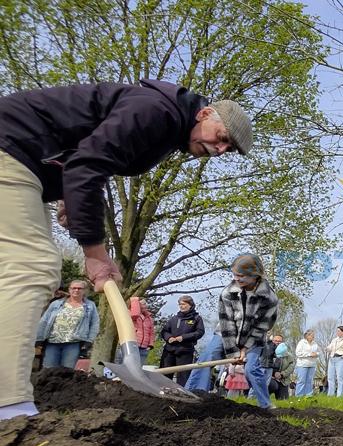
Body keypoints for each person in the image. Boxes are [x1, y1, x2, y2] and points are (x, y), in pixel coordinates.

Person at [0, 79, 252, 419]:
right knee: (32, 265)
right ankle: (10, 410)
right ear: (205, 113)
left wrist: (67, 197)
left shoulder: (166, 124)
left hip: (27, 160)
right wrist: (94, 252)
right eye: (223, 138)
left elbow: (84, 158)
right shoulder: (157, 112)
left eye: (229, 149)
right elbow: (88, 164)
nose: (221, 150)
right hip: (11, 149)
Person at [183, 254, 278, 409]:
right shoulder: (228, 292)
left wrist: (245, 348)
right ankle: (191, 397)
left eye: (241, 276)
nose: (237, 279)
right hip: (226, 334)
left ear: (255, 275)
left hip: (254, 337)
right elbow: (226, 323)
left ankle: (265, 404)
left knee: (251, 369)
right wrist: (233, 352)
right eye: (234, 275)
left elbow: (263, 325)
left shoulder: (269, 298)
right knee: (207, 358)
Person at [36, 280, 100, 369]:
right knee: (48, 370)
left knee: (67, 372)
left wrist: (89, 340)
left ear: (84, 291)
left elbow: (95, 324)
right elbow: (44, 320)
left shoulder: (90, 306)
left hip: (73, 344)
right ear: (69, 290)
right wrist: (39, 338)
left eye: (79, 288)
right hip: (52, 342)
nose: (76, 290)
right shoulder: (56, 304)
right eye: (74, 288)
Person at [159, 295, 205, 386]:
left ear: (190, 305)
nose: (181, 306)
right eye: (180, 304)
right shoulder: (174, 318)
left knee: (183, 376)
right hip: (169, 350)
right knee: (165, 374)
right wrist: (169, 338)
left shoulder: (196, 318)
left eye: (184, 304)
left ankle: (181, 394)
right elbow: (164, 331)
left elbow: (200, 332)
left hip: (185, 351)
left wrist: (183, 337)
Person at [327, 326, 343, 397]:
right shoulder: (334, 340)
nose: (337, 332)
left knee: (340, 378)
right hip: (332, 359)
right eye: (337, 331)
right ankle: (330, 395)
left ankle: (339, 395)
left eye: (338, 331)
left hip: (340, 359)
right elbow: (330, 347)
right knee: (330, 377)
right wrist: (327, 348)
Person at [129, 297, 155, 366]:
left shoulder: (149, 318)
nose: (145, 305)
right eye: (142, 304)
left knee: (140, 368)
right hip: (133, 345)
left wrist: (150, 345)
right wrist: (134, 300)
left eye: (145, 303)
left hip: (144, 348)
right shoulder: (132, 315)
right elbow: (134, 314)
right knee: (131, 367)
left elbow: (151, 333)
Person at [295, 330, 320, 397]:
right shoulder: (302, 342)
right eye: (311, 335)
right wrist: (309, 354)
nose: (313, 336)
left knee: (309, 381)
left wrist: (316, 354)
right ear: (307, 335)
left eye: (313, 335)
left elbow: (318, 352)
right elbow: (298, 353)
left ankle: (308, 395)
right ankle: (299, 396)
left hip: (312, 365)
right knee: (301, 381)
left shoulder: (315, 343)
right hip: (302, 364)